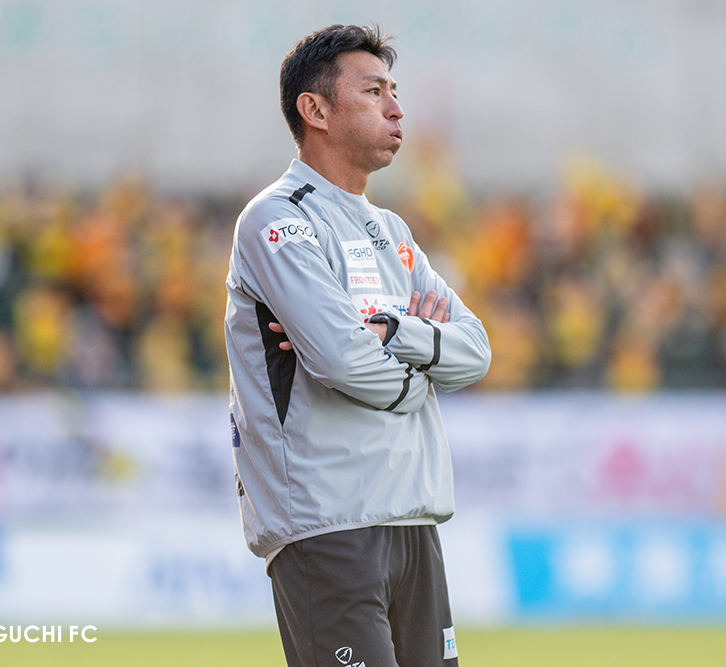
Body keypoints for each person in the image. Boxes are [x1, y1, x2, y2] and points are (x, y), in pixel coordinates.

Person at [224, 24, 491, 667]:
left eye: (394, 92)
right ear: (315, 111)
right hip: (328, 521)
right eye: (374, 92)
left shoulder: (391, 229)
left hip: (413, 518)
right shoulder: (277, 218)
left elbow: (476, 350)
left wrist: (395, 331)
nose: (396, 109)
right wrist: (420, 376)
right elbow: (342, 359)